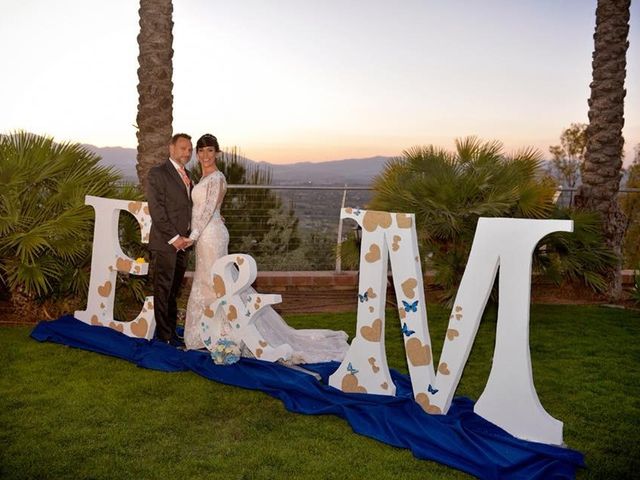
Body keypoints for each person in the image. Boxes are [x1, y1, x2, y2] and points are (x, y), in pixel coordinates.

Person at [184, 134, 350, 363]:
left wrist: (192, 236)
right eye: (201, 151)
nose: (205, 155)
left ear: (217, 153)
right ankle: (209, 332)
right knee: (208, 280)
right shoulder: (203, 178)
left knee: (217, 283)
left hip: (210, 235)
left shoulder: (217, 178)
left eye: (210, 151)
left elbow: (206, 211)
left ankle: (226, 332)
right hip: (206, 235)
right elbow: (207, 208)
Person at [146, 133, 194, 344]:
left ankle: (171, 333)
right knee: (163, 291)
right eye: (183, 148)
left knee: (174, 291)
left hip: (184, 245)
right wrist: (174, 238)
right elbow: (157, 210)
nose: (187, 153)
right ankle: (164, 337)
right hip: (166, 244)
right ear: (171, 149)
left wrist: (188, 237)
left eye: (190, 149)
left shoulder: (189, 175)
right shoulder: (157, 173)